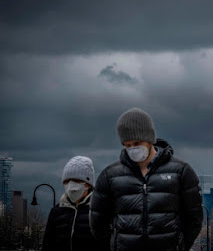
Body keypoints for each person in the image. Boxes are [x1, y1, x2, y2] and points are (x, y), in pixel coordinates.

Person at [90, 107, 203, 251]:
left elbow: (194, 218)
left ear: (149, 139)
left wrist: (180, 246)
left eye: (137, 144)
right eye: (127, 145)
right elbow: (98, 221)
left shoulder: (181, 171)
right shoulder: (110, 175)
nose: (133, 149)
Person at [42, 156, 105, 251]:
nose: (71, 185)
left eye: (76, 180)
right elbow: (48, 245)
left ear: (88, 183)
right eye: (67, 181)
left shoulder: (101, 210)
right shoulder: (56, 212)